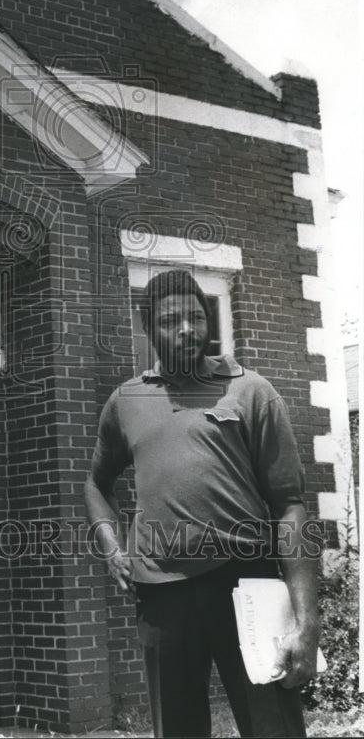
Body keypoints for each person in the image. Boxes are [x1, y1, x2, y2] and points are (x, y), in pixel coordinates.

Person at [84, 268, 320, 739]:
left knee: (274, 729)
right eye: (172, 321)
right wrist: (112, 548)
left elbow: (290, 506)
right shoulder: (126, 400)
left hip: (245, 581)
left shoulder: (250, 391)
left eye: (196, 317)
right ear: (148, 327)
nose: (189, 329)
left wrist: (306, 619)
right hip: (161, 596)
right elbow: (95, 484)